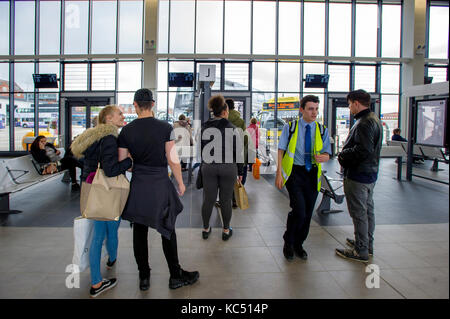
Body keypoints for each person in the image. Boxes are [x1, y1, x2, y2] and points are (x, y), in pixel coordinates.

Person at [117, 88, 199, 291]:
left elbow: (123, 162)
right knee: (167, 227)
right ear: (153, 105)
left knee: (139, 231)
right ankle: (175, 275)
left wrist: (137, 166)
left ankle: (144, 277)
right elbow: (172, 160)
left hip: (139, 185)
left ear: (135, 105)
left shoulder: (126, 131)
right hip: (160, 183)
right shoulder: (164, 127)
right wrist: (180, 182)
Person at [71, 105, 133, 297]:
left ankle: (111, 260)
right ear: (108, 119)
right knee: (105, 231)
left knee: (101, 230)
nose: (123, 116)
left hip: (90, 188)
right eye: (119, 114)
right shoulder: (109, 138)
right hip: (104, 189)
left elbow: (85, 162)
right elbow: (110, 169)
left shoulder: (92, 137)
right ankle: (97, 282)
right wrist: (129, 161)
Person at [275, 95, 331, 261]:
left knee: (307, 213)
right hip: (295, 173)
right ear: (302, 110)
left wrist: (325, 157)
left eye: (316, 109)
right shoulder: (290, 128)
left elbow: (327, 152)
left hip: (312, 174)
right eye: (310, 109)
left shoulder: (322, 130)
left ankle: (299, 244)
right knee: (299, 210)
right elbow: (281, 149)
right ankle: (289, 241)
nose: (314, 112)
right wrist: (279, 173)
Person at [335, 89, 383, 263]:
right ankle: (367, 244)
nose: (349, 108)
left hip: (358, 175)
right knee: (368, 210)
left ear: (356, 103)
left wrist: (343, 155)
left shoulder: (363, 123)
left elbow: (363, 150)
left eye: (349, 104)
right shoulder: (375, 119)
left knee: (359, 213)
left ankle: (361, 250)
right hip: (370, 174)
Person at [201, 95, 245, 241]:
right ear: (225, 111)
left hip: (209, 167)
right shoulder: (232, 128)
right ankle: (226, 230)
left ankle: (206, 229)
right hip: (228, 168)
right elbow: (238, 152)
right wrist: (240, 171)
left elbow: (201, 150)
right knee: (225, 200)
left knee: (208, 199)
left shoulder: (204, 127)